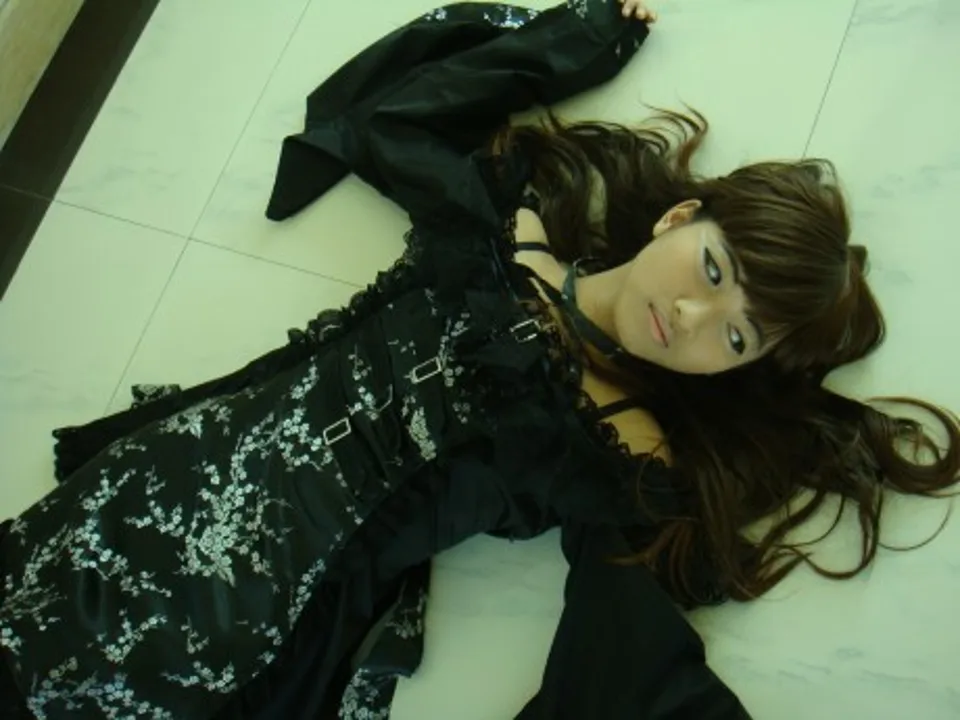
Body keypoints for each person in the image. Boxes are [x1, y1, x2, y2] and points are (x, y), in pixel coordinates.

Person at [1, 0, 956, 718]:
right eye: (713, 270)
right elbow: (398, 122)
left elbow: (627, 657)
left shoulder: (622, 446)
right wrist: (581, 36)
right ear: (678, 218)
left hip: (244, 616)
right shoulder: (500, 228)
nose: (691, 316)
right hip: (160, 480)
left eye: (736, 337)